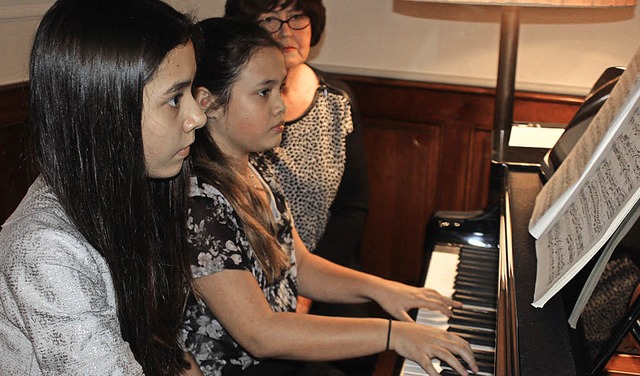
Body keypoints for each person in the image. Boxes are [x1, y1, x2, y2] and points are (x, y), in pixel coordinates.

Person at [182, 17, 478, 376]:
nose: (280, 106)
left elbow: (299, 265)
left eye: (281, 88)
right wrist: (393, 334)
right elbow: (261, 334)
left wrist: (385, 290)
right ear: (208, 104)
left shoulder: (255, 167)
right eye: (264, 92)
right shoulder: (199, 204)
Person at [0, 0, 206, 374]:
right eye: (175, 99)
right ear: (104, 110)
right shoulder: (45, 251)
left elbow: (163, 346)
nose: (198, 116)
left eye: (191, 91)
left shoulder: (134, 189)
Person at [224, 0, 369, 320]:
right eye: (271, 19)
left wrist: (306, 290)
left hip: (322, 261)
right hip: (245, 269)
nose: (286, 31)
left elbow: (352, 208)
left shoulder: (337, 101)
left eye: (297, 17)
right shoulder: (228, 103)